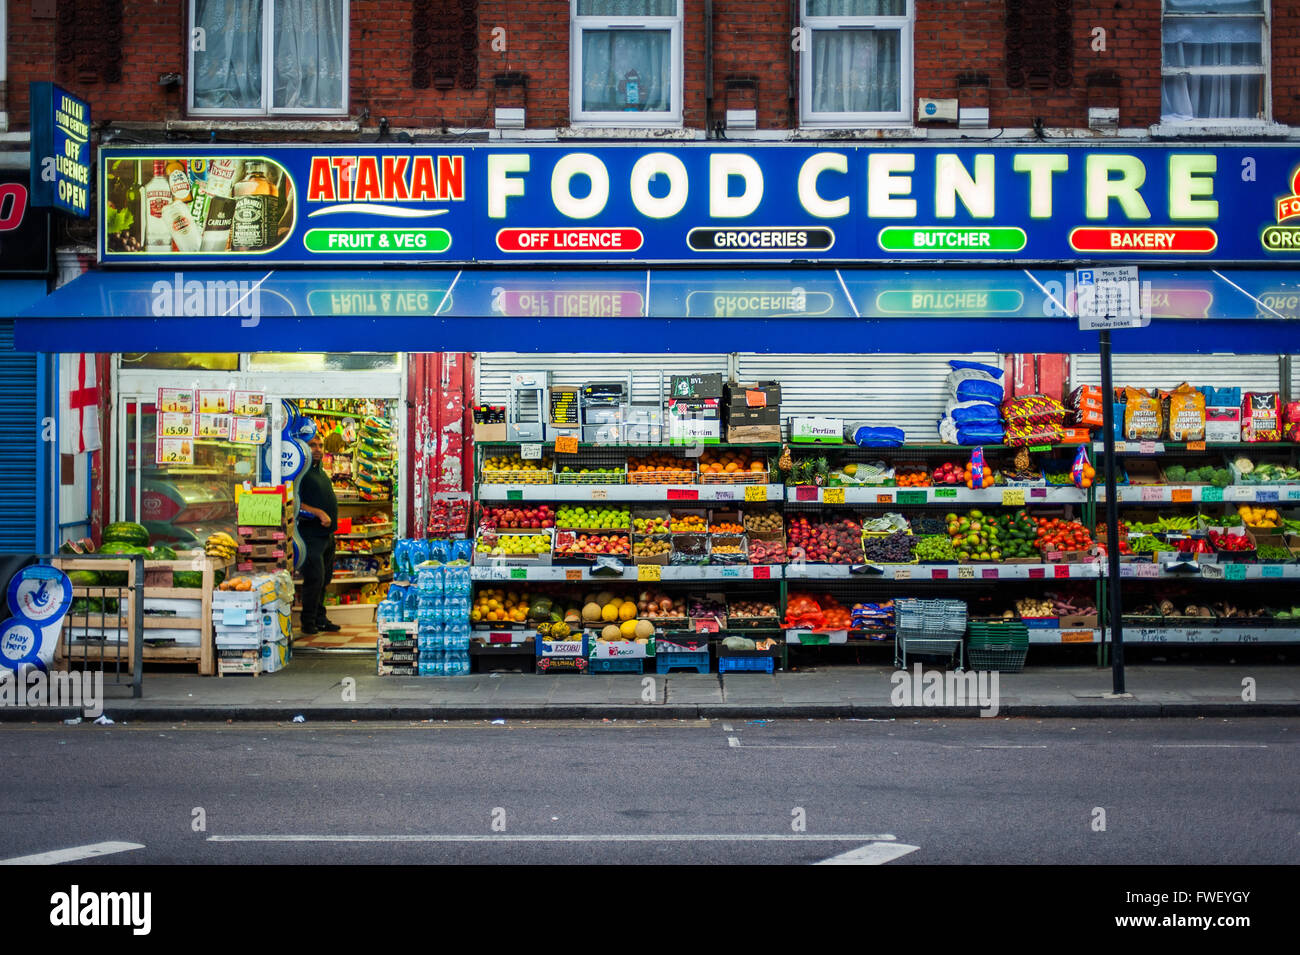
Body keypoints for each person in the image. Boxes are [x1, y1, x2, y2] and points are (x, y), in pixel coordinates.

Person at [297, 435, 339, 634]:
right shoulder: (301, 473)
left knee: (325, 579)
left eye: (320, 445)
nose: (317, 449)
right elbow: (295, 501)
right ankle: (308, 622)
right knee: (315, 578)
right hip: (310, 535)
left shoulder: (319, 471)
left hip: (327, 536)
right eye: (312, 445)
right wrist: (318, 512)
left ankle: (321, 618)